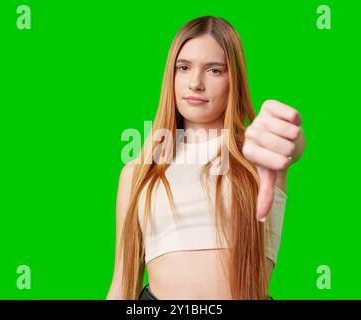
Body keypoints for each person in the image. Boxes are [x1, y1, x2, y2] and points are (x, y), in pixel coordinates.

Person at [107, 16, 305, 300]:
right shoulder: (138, 171)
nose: (195, 83)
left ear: (233, 78)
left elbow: (290, 146)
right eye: (184, 67)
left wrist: (289, 137)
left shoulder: (256, 156)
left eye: (214, 70)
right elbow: (121, 286)